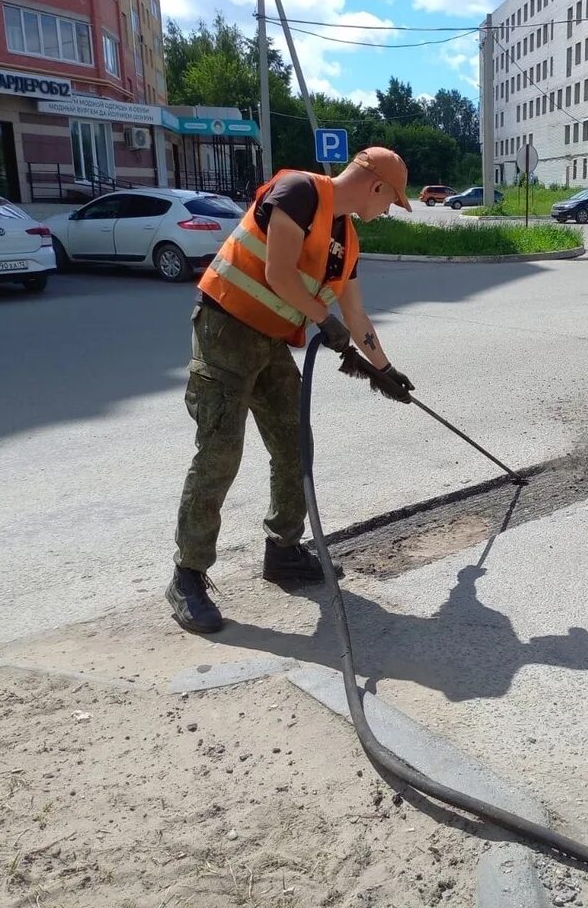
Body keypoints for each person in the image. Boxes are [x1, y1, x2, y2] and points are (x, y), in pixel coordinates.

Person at [167, 147, 415, 634]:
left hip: (269, 343)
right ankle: (187, 575)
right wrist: (326, 320)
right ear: (377, 186)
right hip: (225, 331)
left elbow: (358, 317)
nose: (388, 210)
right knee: (220, 452)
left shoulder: (347, 239)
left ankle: (282, 550)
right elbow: (279, 274)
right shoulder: (299, 191)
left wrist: (385, 370)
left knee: (292, 443)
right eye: (391, 201)